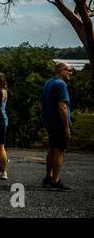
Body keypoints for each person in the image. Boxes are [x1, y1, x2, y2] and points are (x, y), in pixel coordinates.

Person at [40, 62, 73, 191]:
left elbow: (41, 102)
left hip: (49, 122)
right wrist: (66, 127)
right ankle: (56, 180)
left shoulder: (49, 83)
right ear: (61, 71)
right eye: (69, 70)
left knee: (52, 149)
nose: (70, 73)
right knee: (59, 151)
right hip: (58, 123)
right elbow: (62, 106)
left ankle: (48, 177)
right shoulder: (61, 84)